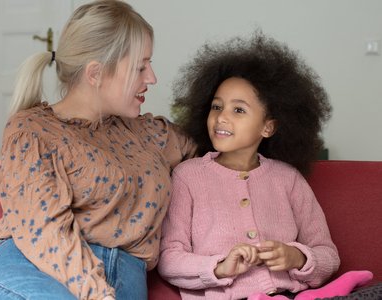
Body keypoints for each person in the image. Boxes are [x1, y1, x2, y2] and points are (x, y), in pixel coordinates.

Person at [0, 1, 196, 299]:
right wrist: (98, 294)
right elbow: (46, 229)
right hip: (37, 272)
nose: (152, 78)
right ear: (95, 73)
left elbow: (221, 150)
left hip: (122, 276)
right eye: (140, 67)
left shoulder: (148, 134)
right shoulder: (32, 131)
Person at [157, 32, 373, 300]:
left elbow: (327, 255)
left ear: (268, 126)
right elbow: (168, 259)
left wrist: (296, 257)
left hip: (291, 293)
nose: (221, 117)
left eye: (238, 110)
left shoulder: (288, 178)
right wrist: (220, 267)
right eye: (216, 107)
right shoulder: (187, 176)